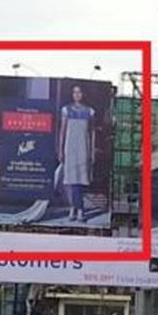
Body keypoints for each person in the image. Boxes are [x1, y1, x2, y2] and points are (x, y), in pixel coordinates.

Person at [57, 83, 96, 222]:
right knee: (72, 180)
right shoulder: (66, 110)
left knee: (80, 180)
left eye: (79, 92)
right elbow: (62, 131)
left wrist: (92, 151)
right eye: (74, 92)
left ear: (83, 94)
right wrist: (61, 150)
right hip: (70, 148)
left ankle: (76, 208)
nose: (77, 95)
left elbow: (92, 133)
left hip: (83, 148)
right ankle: (78, 209)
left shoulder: (90, 112)